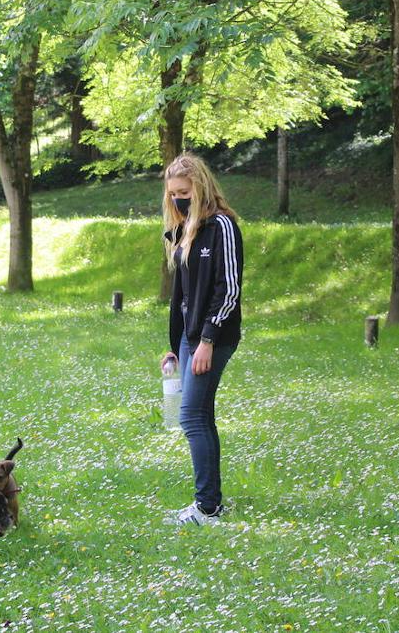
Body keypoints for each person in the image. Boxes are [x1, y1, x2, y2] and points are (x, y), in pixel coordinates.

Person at [161, 153, 243, 526]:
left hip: (213, 336)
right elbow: (181, 295)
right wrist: (173, 345)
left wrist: (208, 339)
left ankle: (207, 507)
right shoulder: (183, 231)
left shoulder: (222, 225)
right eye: (173, 193)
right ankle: (211, 503)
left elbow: (228, 290)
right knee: (199, 416)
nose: (178, 198)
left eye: (184, 191)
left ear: (201, 187)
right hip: (189, 338)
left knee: (192, 415)